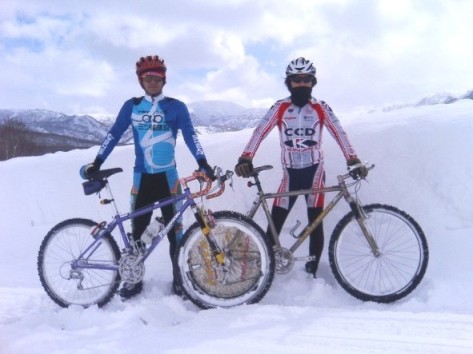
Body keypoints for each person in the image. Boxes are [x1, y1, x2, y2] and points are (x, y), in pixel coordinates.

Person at [81, 55, 215, 299]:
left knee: (176, 235)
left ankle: (179, 280)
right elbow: (113, 134)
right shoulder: (131, 106)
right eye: (148, 78)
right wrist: (97, 162)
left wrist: (203, 163)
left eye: (157, 78)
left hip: (169, 179)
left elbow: (190, 136)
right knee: (137, 233)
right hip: (142, 178)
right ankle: (133, 279)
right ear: (141, 81)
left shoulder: (176, 107)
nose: (152, 82)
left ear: (164, 80)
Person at [234, 57, 367, 278]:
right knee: (275, 221)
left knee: (315, 222)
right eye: (297, 80)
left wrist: (352, 158)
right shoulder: (280, 107)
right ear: (289, 82)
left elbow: (339, 132)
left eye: (306, 79)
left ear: (313, 82)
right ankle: (266, 271)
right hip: (290, 175)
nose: (302, 84)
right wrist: (246, 157)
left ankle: (312, 273)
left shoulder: (321, 108)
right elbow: (260, 131)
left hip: (314, 173)